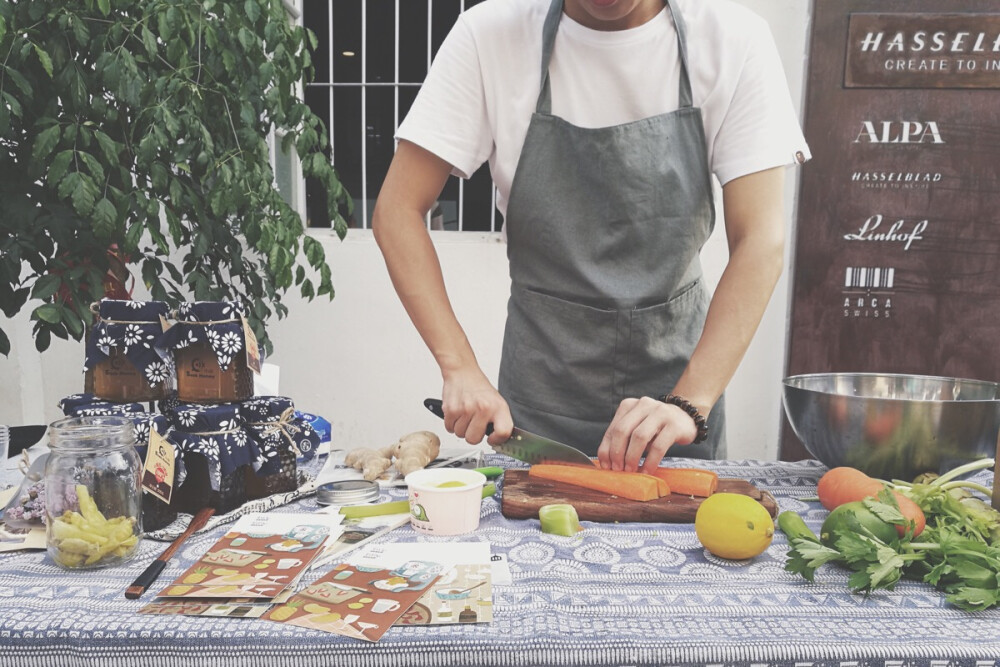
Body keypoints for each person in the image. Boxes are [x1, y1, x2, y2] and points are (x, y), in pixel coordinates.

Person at [372, 0, 810, 473]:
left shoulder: (734, 41)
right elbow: (398, 210)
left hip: (674, 405)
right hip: (537, 406)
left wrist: (690, 400)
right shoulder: (489, 37)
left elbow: (760, 240)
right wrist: (459, 367)